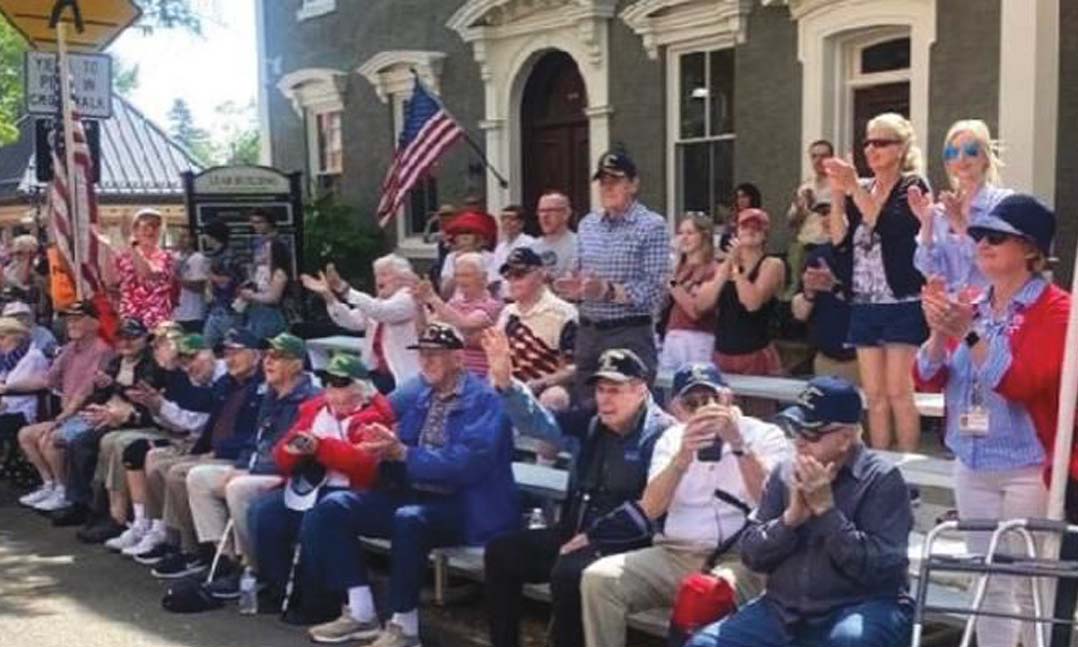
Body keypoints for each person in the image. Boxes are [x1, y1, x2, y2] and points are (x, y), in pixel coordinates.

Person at [301, 323, 516, 647]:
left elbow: (467, 465)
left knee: (410, 519)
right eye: (423, 355)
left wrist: (402, 453)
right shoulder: (420, 393)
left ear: (458, 359)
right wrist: (378, 443)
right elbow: (379, 417)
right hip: (416, 493)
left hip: (468, 507)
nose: (426, 362)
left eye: (435, 355)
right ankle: (361, 612)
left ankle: (405, 626)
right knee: (333, 508)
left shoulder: (485, 400)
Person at [914, 195, 1064, 647]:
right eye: (979, 235)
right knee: (989, 581)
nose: (982, 243)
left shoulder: (1056, 309)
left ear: (1031, 249)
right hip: (972, 459)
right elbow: (926, 376)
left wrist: (968, 332)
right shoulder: (973, 304)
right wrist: (939, 336)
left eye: (995, 236)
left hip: (1027, 464)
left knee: (1027, 582)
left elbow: (1022, 383)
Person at [686, 376, 914, 647]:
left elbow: (878, 570)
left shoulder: (881, 479)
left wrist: (827, 512)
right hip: (784, 610)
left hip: (860, 606)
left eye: (811, 433)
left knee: (849, 640)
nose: (799, 441)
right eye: (796, 430)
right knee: (704, 645)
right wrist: (789, 521)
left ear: (845, 438)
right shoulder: (784, 471)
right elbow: (752, 556)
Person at [482, 330, 676, 647]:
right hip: (575, 533)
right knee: (502, 553)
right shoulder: (591, 420)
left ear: (641, 390)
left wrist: (595, 537)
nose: (604, 399)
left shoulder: (663, 435)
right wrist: (507, 384)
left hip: (628, 544)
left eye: (615, 390)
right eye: (600, 389)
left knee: (569, 573)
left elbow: (653, 511)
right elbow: (537, 423)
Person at [580, 363, 789, 647]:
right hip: (675, 553)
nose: (703, 409)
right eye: (692, 403)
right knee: (599, 579)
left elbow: (772, 503)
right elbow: (651, 508)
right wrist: (682, 457)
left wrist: (738, 445)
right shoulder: (671, 439)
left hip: (740, 560)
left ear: (727, 398)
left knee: (702, 593)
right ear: (677, 408)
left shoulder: (764, 435)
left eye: (711, 400)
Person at [248, 353, 395, 621]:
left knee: (317, 518)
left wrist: (321, 447)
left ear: (359, 390)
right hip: (309, 485)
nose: (334, 392)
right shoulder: (313, 410)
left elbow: (366, 467)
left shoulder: (373, 418)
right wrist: (296, 451)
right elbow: (283, 455)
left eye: (342, 385)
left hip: (351, 490)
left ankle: (319, 602)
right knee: (264, 512)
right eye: (330, 385)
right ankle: (283, 591)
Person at [185, 333, 321, 599]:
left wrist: (248, 470)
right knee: (198, 477)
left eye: (277, 357)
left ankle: (253, 569)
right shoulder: (271, 393)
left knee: (238, 489)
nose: (268, 362)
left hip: (285, 476)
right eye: (267, 356)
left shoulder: (309, 399)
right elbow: (255, 440)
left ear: (296, 364)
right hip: (256, 468)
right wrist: (240, 464)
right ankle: (227, 560)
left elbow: (289, 451)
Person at [825, 112, 929, 451]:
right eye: (868, 142)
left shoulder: (912, 186)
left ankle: (909, 473)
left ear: (900, 149)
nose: (872, 149)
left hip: (902, 301)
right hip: (865, 302)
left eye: (881, 142)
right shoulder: (864, 189)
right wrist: (840, 194)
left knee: (899, 391)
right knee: (875, 395)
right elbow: (840, 239)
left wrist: (855, 187)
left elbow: (889, 226)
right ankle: (880, 467)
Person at [147, 328, 266, 579]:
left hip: (239, 456)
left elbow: (257, 435)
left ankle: (207, 553)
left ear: (256, 356)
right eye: (227, 353)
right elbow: (206, 419)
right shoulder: (226, 384)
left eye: (237, 353)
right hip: (212, 449)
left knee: (179, 473)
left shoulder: (264, 389)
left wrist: (216, 451)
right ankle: (180, 544)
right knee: (160, 463)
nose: (231, 359)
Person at [554, 152, 670, 400]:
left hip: (628, 334)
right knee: (586, 411)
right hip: (587, 334)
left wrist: (606, 291)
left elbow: (653, 292)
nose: (608, 188)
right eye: (603, 182)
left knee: (626, 413)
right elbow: (580, 270)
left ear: (633, 185)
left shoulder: (652, 226)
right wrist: (573, 285)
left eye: (615, 181)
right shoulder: (588, 224)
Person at [55, 318, 167, 540]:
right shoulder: (116, 362)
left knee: (86, 443)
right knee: (63, 436)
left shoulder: (150, 364)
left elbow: (141, 398)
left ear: (145, 339)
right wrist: (98, 400)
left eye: (132, 337)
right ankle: (75, 498)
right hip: (107, 411)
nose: (126, 343)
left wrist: (112, 387)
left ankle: (101, 510)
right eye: (122, 337)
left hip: (132, 419)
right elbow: (102, 393)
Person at [122, 334, 225, 562]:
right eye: (183, 362)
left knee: (172, 469)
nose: (188, 367)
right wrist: (156, 406)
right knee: (152, 458)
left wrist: (160, 406)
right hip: (194, 441)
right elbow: (187, 423)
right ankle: (163, 534)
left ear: (209, 353)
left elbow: (197, 424)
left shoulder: (223, 380)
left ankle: (190, 549)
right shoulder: (192, 378)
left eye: (192, 358)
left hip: (215, 449)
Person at [16, 302, 114, 513]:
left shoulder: (102, 350)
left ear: (94, 322)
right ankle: (49, 484)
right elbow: (49, 380)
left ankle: (64, 490)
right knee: (26, 434)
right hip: (68, 413)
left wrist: (60, 419)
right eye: (69, 319)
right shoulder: (69, 348)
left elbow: (84, 394)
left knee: (49, 438)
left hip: (88, 414)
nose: (71, 324)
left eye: (78, 319)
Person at [909, 119, 1012, 295]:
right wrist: (926, 223)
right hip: (951, 311)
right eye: (952, 152)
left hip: (990, 310)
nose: (961, 158)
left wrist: (959, 224)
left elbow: (995, 260)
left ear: (985, 158)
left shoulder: (1001, 203)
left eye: (971, 151)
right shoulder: (943, 209)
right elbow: (928, 268)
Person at [302, 254, 420, 391]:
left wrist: (343, 288)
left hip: (401, 374)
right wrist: (328, 295)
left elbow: (382, 312)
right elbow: (350, 321)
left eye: (384, 274)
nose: (378, 280)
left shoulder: (409, 297)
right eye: (376, 275)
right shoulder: (377, 303)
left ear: (403, 278)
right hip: (375, 373)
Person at [696, 209, 785, 376]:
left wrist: (736, 269)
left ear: (765, 234)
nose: (750, 231)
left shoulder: (772, 264)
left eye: (757, 227)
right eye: (745, 226)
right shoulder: (724, 266)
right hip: (723, 353)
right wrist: (726, 267)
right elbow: (701, 305)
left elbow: (752, 303)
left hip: (755, 352)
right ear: (736, 231)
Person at [790, 201, 860, 385]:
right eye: (824, 214)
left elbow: (872, 305)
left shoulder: (868, 257)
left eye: (834, 212)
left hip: (862, 360)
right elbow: (799, 313)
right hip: (825, 361)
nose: (827, 219)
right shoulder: (817, 256)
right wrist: (809, 292)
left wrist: (835, 287)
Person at [495, 247, 577, 394]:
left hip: (545, 392)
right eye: (508, 275)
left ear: (540, 275)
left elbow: (572, 369)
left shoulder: (564, 313)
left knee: (555, 396)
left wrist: (539, 384)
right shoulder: (507, 313)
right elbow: (496, 359)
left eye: (519, 275)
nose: (512, 281)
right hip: (507, 390)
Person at [414, 253, 502, 377]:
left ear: (483, 278)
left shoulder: (492, 305)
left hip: (476, 373)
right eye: (457, 275)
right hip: (444, 372)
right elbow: (426, 331)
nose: (460, 280)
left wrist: (433, 298)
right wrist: (419, 305)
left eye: (466, 275)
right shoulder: (453, 303)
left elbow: (464, 324)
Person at [660, 213, 719, 373]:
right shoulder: (679, 267)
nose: (683, 238)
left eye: (690, 233)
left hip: (698, 338)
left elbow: (695, 311)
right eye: (680, 233)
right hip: (672, 333)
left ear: (704, 235)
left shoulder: (712, 269)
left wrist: (672, 283)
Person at [111, 209, 177, 329]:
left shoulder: (166, 256)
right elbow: (112, 285)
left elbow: (148, 273)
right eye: (145, 226)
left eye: (156, 226)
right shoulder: (121, 257)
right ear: (135, 230)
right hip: (128, 318)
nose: (150, 230)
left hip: (157, 320)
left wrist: (132, 245)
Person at [785, 140, 835, 297]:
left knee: (823, 293)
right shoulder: (806, 187)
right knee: (799, 292)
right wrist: (801, 209)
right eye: (814, 156)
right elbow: (791, 223)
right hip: (804, 247)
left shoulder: (839, 186)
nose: (818, 161)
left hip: (828, 246)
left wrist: (825, 210)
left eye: (823, 156)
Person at [0, 317, 51, 472]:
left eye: (2, 337)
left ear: (16, 336)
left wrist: (8, 388)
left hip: (24, 409)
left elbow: (43, 383)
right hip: (6, 406)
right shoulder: (6, 359)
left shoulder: (33, 356)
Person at [238, 211, 292, 339]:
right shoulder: (262, 269)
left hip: (271, 313)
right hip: (257, 311)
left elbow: (274, 298)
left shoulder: (279, 272)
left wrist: (252, 296)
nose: (261, 256)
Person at [202, 219, 246, 349]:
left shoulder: (228, 256)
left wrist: (210, 276)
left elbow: (230, 281)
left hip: (229, 309)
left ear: (212, 236)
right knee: (208, 344)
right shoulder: (217, 255)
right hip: (217, 308)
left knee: (233, 346)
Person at [438, 210, 497, 297]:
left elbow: (492, 287)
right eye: (460, 233)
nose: (464, 237)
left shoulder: (489, 257)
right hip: (456, 302)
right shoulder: (451, 258)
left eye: (469, 233)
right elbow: (445, 292)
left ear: (479, 238)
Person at [490, 205, 536, 298]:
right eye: (503, 219)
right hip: (502, 299)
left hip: (524, 297)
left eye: (511, 219)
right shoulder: (500, 248)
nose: (507, 223)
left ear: (521, 223)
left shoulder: (530, 244)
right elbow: (495, 275)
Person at [532, 191, 578, 279]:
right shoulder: (532, 248)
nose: (544, 215)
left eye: (550, 210)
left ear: (566, 214)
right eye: (541, 211)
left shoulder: (579, 245)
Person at [173, 229, 211, 334]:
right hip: (176, 314)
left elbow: (199, 287)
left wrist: (177, 278)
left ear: (192, 239)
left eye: (185, 237)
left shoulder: (198, 259)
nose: (181, 240)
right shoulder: (173, 258)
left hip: (193, 314)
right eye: (179, 237)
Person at [423, 203, 457, 288]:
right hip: (442, 263)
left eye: (448, 215)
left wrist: (449, 243)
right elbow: (426, 239)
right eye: (442, 216)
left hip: (455, 263)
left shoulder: (459, 231)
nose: (444, 219)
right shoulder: (441, 233)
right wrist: (430, 222)